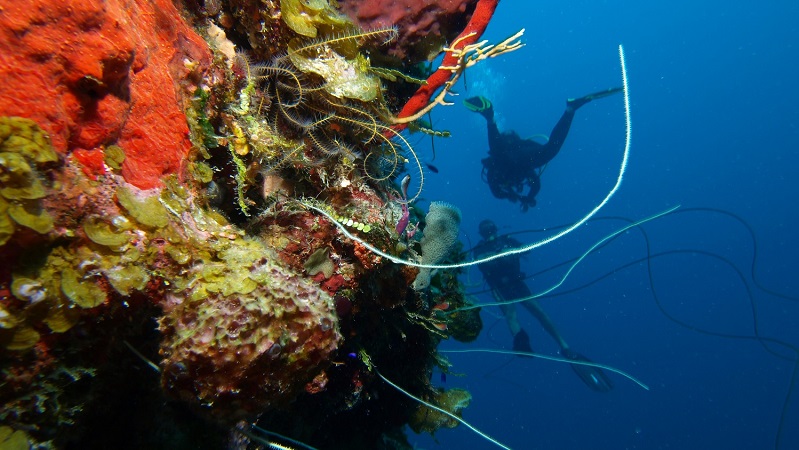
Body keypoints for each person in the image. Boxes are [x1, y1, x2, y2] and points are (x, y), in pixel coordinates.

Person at [473, 219, 614, 392]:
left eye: (490, 230)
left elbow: (526, 250)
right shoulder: (480, 248)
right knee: (511, 313)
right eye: (486, 231)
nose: (489, 234)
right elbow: (478, 261)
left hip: (516, 282)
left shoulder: (507, 240)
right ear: (482, 234)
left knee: (537, 311)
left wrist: (508, 250)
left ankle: (564, 346)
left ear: (494, 229)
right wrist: (497, 255)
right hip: (498, 287)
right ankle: (521, 342)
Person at [464, 88, 622, 212]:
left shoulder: (496, 175)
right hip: (522, 155)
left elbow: (497, 192)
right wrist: (526, 198)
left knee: (502, 155)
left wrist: (514, 196)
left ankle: (490, 117)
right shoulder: (523, 172)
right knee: (550, 150)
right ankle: (570, 109)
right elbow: (535, 184)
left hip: (512, 156)